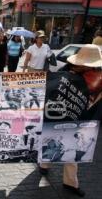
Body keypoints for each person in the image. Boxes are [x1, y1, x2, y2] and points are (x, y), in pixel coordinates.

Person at [40, 44, 102, 197]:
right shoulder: (66, 71)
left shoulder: (99, 77)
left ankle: (70, 183)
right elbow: (51, 88)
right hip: (57, 116)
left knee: (71, 153)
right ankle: (44, 165)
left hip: (80, 120)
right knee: (50, 142)